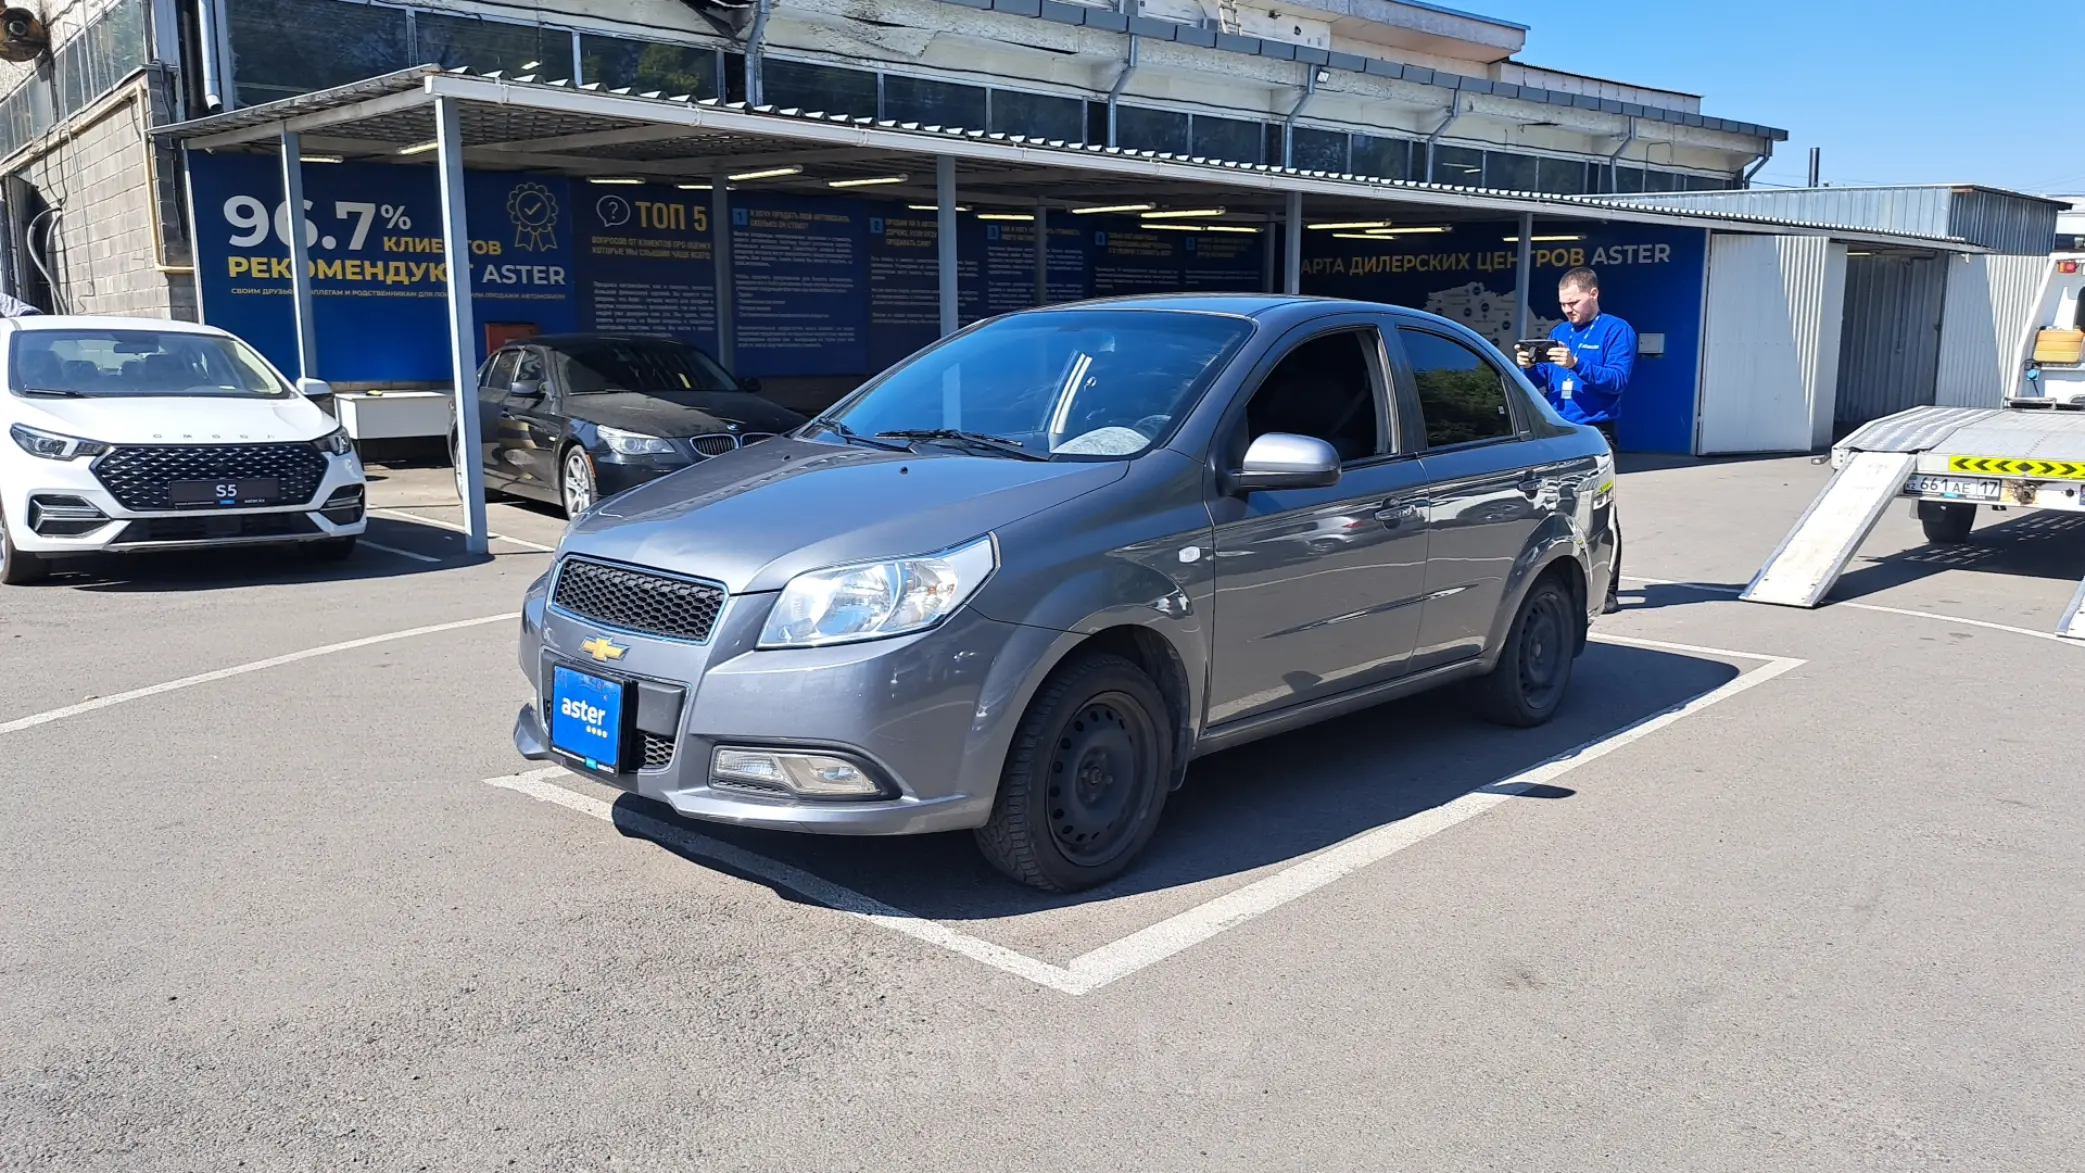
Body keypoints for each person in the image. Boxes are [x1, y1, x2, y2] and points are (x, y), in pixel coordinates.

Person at [1516, 267, 1633, 613]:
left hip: (1596, 433)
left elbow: (1617, 380)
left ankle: (1607, 589)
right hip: (1558, 432)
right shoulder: (1559, 332)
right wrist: (1526, 365)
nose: (1568, 309)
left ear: (1593, 294)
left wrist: (1577, 363)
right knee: (1555, 512)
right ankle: (1556, 584)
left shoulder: (1616, 330)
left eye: (1574, 302)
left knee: (1600, 513)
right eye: (1563, 303)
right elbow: (1543, 379)